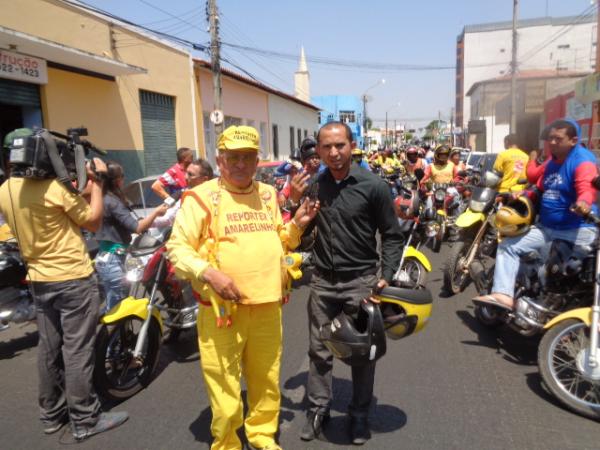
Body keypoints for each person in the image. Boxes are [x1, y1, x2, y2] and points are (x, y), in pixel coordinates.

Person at [167, 125, 319, 450]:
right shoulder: (200, 198)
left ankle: (262, 436)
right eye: (233, 157)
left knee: (266, 379)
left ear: (256, 160)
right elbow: (177, 249)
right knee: (224, 390)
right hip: (223, 313)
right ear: (220, 160)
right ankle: (226, 443)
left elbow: (281, 242)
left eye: (247, 157)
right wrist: (209, 273)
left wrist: (297, 225)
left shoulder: (266, 195)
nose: (240, 164)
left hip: (267, 307)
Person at [0, 147, 128, 440]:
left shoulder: (7, 188)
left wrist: (80, 191)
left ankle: (51, 414)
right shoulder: (53, 189)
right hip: (72, 279)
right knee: (77, 351)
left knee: (49, 348)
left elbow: (60, 206)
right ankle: (85, 418)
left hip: (39, 280)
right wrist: (96, 182)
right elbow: (93, 220)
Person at [301, 121, 403, 445]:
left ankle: (359, 416)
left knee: (361, 354)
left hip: (361, 283)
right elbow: (303, 233)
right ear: (318, 150)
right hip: (322, 284)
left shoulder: (373, 186)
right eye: (327, 147)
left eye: (340, 145)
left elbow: (391, 234)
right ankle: (318, 410)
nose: (334, 153)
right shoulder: (315, 187)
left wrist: (385, 274)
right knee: (319, 351)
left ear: (352, 145)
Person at [473, 118, 598, 310]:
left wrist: (583, 202)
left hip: (577, 230)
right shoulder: (551, 162)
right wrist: (522, 194)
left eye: (558, 139)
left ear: (573, 140)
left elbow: (586, 187)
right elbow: (539, 188)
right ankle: (503, 295)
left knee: (569, 274)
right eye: (550, 138)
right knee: (508, 246)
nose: (552, 142)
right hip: (547, 229)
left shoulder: (582, 161)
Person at [95, 162, 169, 311]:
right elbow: (137, 227)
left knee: (112, 306)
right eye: (122, 176)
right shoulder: (112, 202)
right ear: (117, 180)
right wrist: (155, 212)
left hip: (106, 257)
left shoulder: (100, 199)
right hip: (114, 260)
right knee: (118, 310)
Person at [153, 158, 214, 228]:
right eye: (186, 172)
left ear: (204, 179)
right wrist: (150, 219)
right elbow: (166, 219)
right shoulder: (183, 195)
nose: (185, 177)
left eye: (190, 174)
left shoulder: (216, 198)